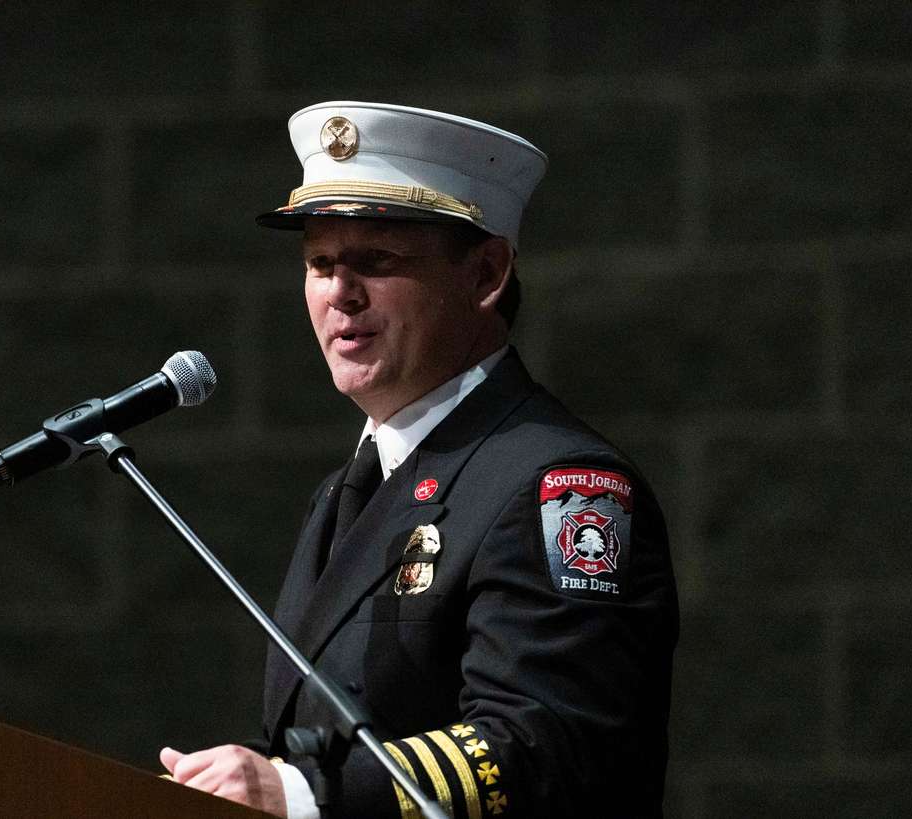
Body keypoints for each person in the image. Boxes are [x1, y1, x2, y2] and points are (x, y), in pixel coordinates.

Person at [160, 102, 678, 817]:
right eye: (319, 262)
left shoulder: (559, 485)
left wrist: (305, 792)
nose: (340, 292)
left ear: (486, 273)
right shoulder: (347, 491)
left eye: (376, 261)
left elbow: (550, 742)